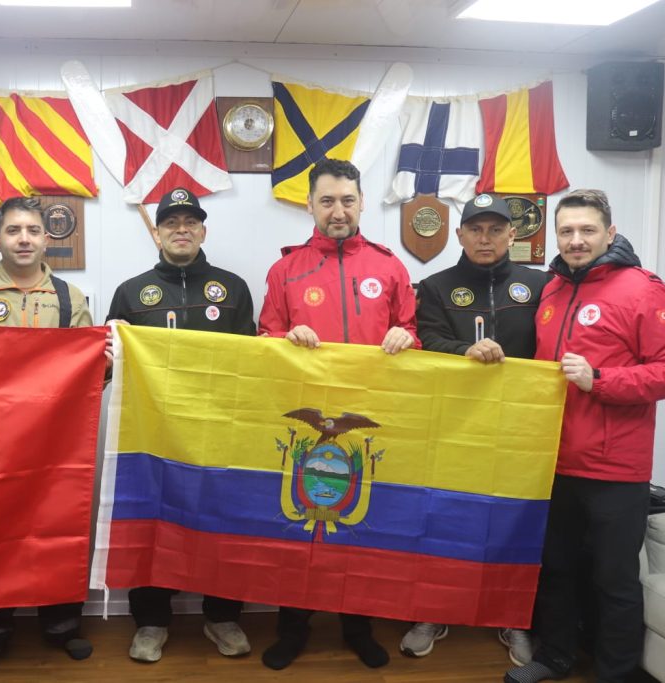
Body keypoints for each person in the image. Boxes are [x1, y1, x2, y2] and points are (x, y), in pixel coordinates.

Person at [505, 189, 665, 683]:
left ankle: (616, 673)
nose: (576, 240)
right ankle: (555, 656)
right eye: (566, 231)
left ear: (610, 233)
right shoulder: (551, 291)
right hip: (556, 462)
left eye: (587, 230)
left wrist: (600, 380)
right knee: (557, 569)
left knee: (614, 580)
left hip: (616, 469)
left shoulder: (642, 289)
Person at [258, 158, 419, 671]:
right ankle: (292, 629)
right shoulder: (286, 270)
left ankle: (358, 628)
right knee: (301, 525)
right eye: (327, 201)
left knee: (362, 523)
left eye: (347, 200)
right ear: (309, 204)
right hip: (306, 424)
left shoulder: (390, 267)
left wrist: (406, 337)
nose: (338, 211)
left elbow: (414, 336)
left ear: (362, 203)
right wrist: (286, 338)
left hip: (370, 422)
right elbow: (264, 339)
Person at [106, 187, 256, 663]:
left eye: (190, 221)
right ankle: (151, 622)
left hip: (220, 433)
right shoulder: (131, 293)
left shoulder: (233, 289)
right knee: (151, 524)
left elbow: (252, 364)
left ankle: (223, 617)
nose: (181, 229)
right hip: (153, 438)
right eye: (171, 222)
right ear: (157, 233)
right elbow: (109, 366)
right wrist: (107, 355)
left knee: (222, 525)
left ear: (203, 231)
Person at [0, 196, 97, 674]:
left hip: (55, 441)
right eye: (14, 230)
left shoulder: (71, 298)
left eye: (33, 230)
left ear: (47, 239)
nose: (24, 239)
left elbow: (88, 372)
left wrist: (107, 361)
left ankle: (62, 626)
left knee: (56, 529)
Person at [403, 192, 547, 665]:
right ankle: (432, 611)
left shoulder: (541, 285)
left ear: (512, 234)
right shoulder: (435, 286)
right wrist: (464, 351)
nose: (486, 239)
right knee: (443, 520)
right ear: (460, 235)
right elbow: (427, 341)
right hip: (455, 427)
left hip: (522, 432)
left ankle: (513, 619)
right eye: (476, 230)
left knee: (515, 525)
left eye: (496, 230)